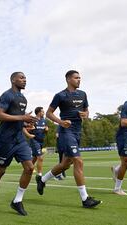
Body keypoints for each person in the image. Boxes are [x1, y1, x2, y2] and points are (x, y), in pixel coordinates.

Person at [37, 70, 102, 208]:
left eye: (80, 78)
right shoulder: (60, 95)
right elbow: (49, 113)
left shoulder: (83, 94)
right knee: (78, 161)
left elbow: (86, 111)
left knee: (65, 164)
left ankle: (42, 180)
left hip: (78, 131)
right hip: (66, 132)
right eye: (76, 78)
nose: (79, 80)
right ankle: (85, 199)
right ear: (68, 79)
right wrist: (61, 122)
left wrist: (86, 114)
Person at [0, 72, 38, 216]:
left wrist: (26, 122)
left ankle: (17, 201)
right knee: (0, 171)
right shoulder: (7, 95)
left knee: (30, 168)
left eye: (26, 78)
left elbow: (17, 119)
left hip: (19, 139)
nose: (25, 80)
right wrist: (22, 117)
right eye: (21, 78)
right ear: (13, 80)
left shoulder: (23, 99)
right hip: (5, 140)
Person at [23, 107, 48, 178]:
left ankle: (27, 170)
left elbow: (45, 130)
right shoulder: (33, 120)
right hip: (34, 140)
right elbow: (26, 129)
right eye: (43, 112)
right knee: (40, 157)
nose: (44, 113)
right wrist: (30, 129)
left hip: (41, 141)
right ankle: (39, 175)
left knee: (34, 158)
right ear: (39, 112)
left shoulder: (44, 120)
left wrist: (46, 130)